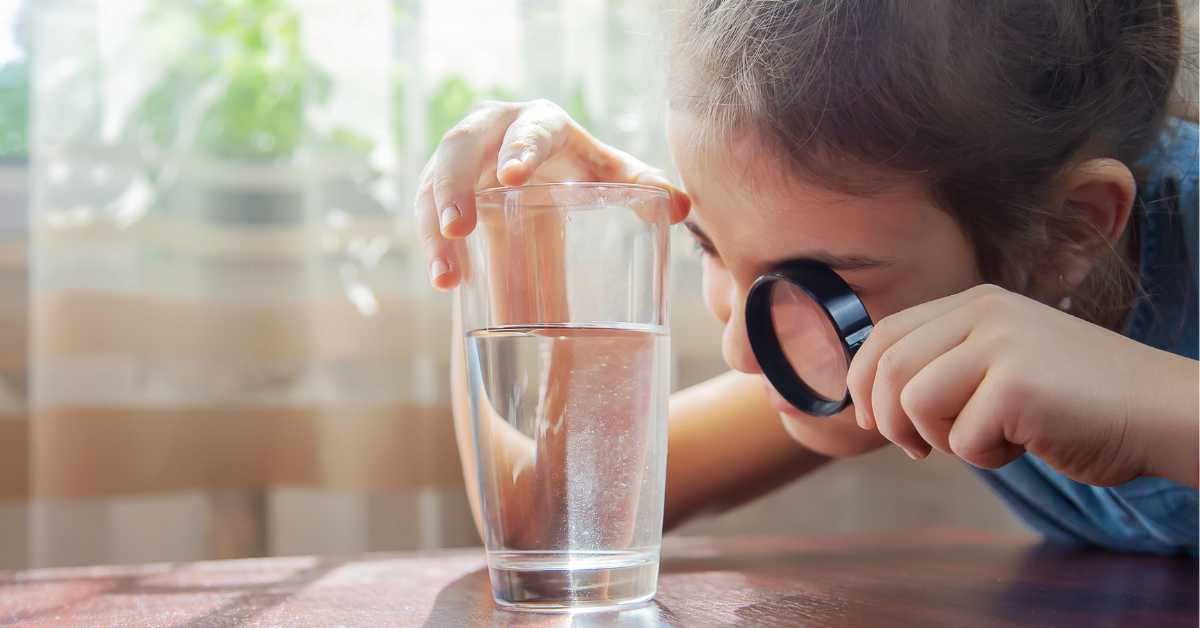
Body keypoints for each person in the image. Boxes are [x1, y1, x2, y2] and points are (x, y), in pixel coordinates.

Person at [416, 0, 1199, 556]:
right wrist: (509, 230)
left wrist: (1143, 407)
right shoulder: (851, 333)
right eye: (707, 247)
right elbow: (552, 514)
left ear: (1071, 229)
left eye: (814, 279)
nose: (740, 351)